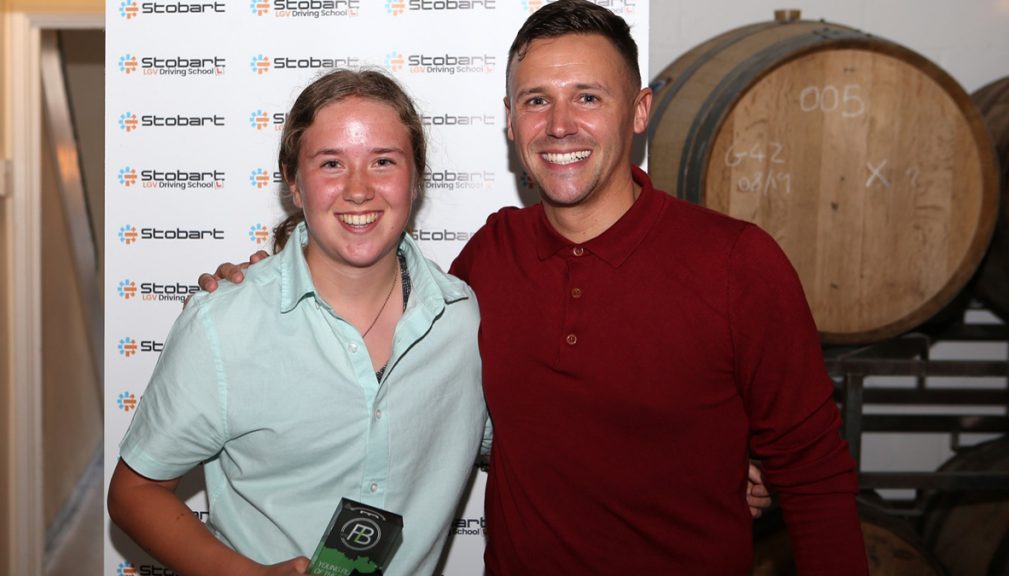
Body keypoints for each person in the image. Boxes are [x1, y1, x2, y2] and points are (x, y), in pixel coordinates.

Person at [201, 2, 863, 573]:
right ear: (511, 122)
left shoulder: (738, 263)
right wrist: (259, 285)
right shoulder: (491, 256)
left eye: (588, 97)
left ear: (639, 112)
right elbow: (376, 327)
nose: (560, 124)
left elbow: (815, 477)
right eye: (536, 100)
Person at [107, 69, 489, 576]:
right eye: (331, 163)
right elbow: (134, 492)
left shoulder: (466, 323)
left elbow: (523, 447)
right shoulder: (225, 324)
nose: (358, 189)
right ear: (293, 182)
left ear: (415, 177)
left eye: (383, 161)